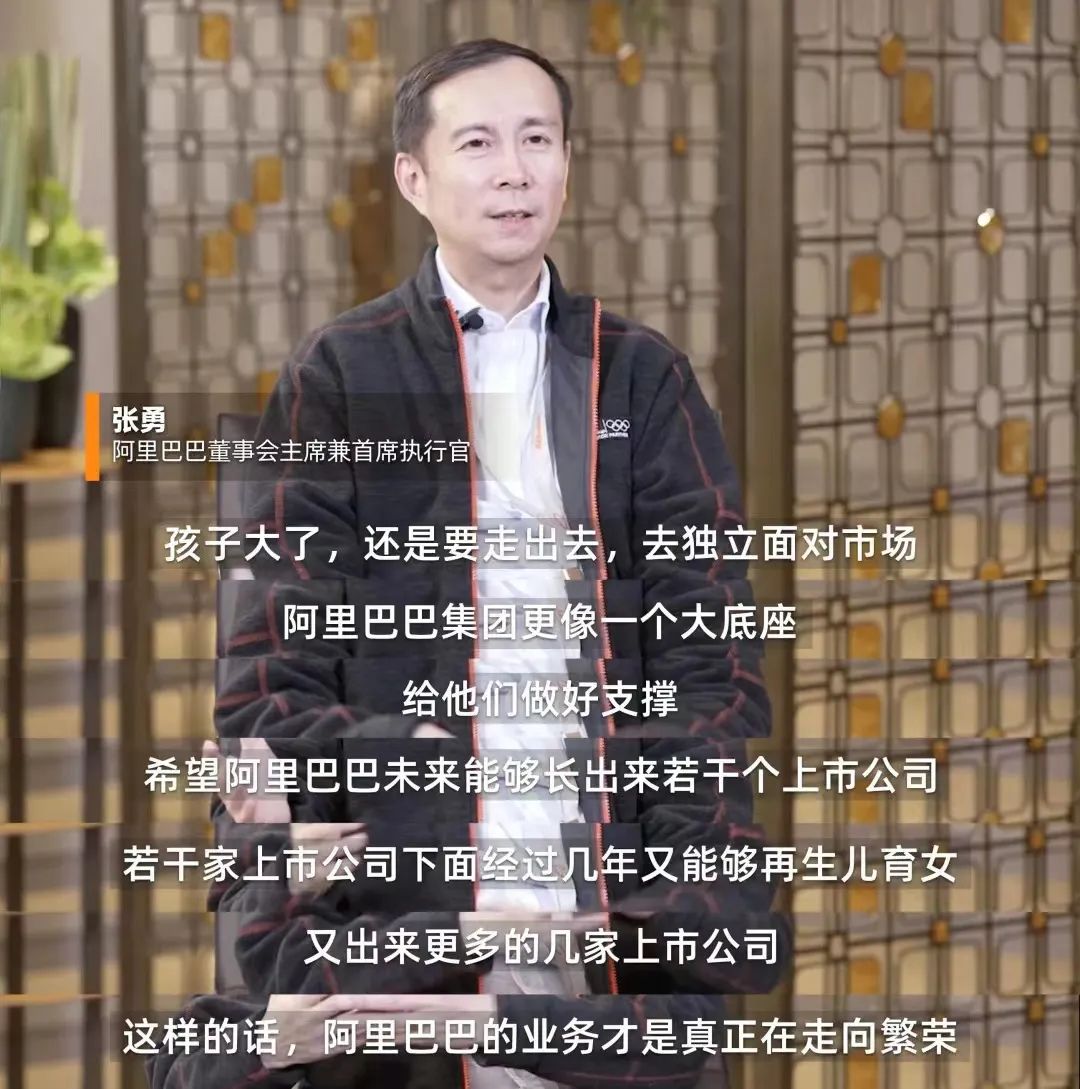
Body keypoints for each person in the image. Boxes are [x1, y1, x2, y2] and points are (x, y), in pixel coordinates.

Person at [147, 38, 787, 1089]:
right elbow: (271, 665)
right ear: (415, 177)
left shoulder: (641, 376)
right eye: (479, 144)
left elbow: (707, 646)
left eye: (538, 141)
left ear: (568, 164)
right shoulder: (342, 373)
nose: (514, 171)